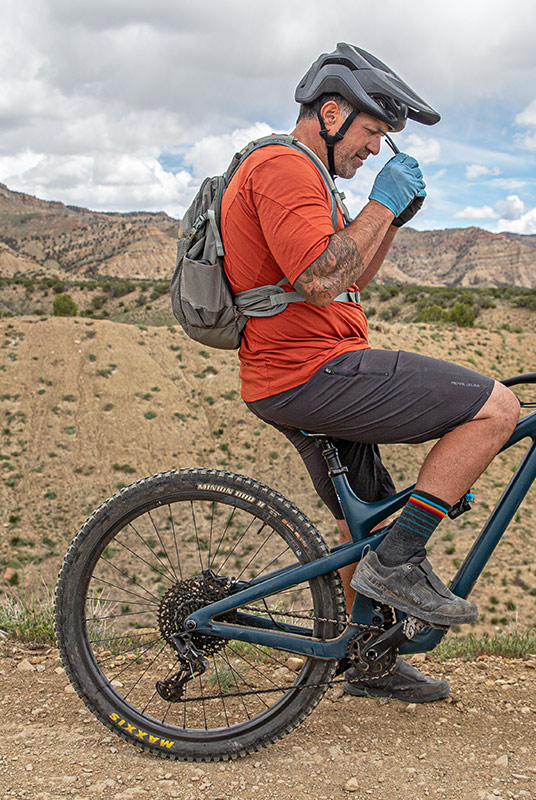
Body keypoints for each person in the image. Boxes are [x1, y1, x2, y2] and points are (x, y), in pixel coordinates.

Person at [220, 43, 520, 703]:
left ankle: (369, 659)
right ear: (331, 113)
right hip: (312, 370)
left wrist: (392, 219)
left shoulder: (311, 178)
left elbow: (351, 274)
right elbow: (320, 278)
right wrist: (381, 204)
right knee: (497, 408)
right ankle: (400, 562)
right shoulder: (283, 167)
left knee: (367, 522)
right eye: (372, 132)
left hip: (297, 372)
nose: (374, 149)